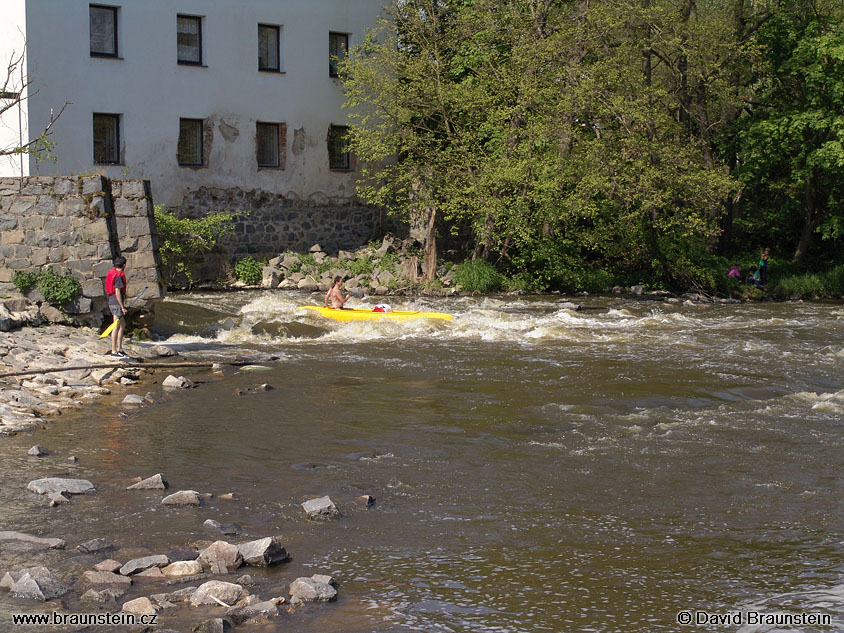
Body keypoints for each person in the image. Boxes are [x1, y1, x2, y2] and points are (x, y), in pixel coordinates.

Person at [105, 255, 128, 358]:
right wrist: (122, 307)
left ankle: (120, 349)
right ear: (124, 265)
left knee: (122, 325)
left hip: (112, 301)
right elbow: (117, 292)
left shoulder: (112, 272)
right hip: (116, 302)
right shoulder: (118, 276)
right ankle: (114, 351)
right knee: (116, 326)